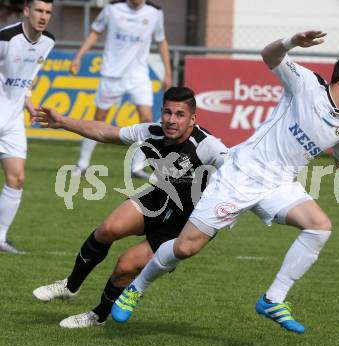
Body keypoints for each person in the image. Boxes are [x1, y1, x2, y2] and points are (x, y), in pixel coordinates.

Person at [111, 30, 339, 334]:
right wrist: (292, 41)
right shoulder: (307, 84)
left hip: (279, 184)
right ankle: (136, 289)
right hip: (241, 174)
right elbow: (270, 56)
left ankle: (273, 299)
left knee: (320, 226)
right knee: (184, 248)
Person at [32, 86, 228, 328]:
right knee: (108, 229)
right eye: (167, 112)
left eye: (179, 114)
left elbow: (237, 167)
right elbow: (106, 132)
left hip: (186, 221)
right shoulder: (150, 132)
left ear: (192, 118)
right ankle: (70, 286)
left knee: (126, 265)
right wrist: (63, 122)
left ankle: (98, 315)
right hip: (160, 196)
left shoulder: (207, 145)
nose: (171, 120)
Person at [69, 0, 172, 179]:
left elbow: (161, 41)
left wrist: (167, 72)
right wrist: (78, 57)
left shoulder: (154, 12)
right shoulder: (112, 9)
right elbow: (95, 32)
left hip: (138, 76)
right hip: (112, 75)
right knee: (99, 119)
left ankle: (137, 167)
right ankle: (83, 164)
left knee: (146, 119)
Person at [0, 0, 55, 254]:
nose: (43, 17)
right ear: (26, 11)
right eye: (39, 11)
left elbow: (26, 78)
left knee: (17, 178)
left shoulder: (48, 42)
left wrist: (29, 104)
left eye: (47, 12)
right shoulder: (5, 38)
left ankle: (0, 238)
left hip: (12, 122)